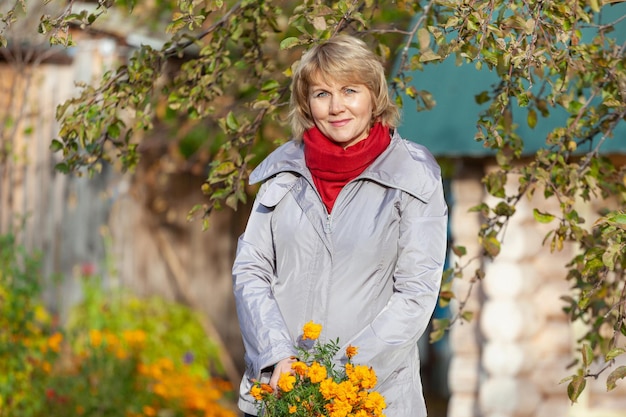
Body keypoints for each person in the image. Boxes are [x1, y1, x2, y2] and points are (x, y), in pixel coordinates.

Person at [232, 34, 448, 417]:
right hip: (284, 394)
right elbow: (251, 270)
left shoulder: (412, 175)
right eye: (321, 94)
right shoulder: (283, 173)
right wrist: (277, 356)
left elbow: (416, 292)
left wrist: (341, 378)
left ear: (373, 96)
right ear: (306, 103)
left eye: (350, 90)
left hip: (372, 398)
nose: (336, 107)